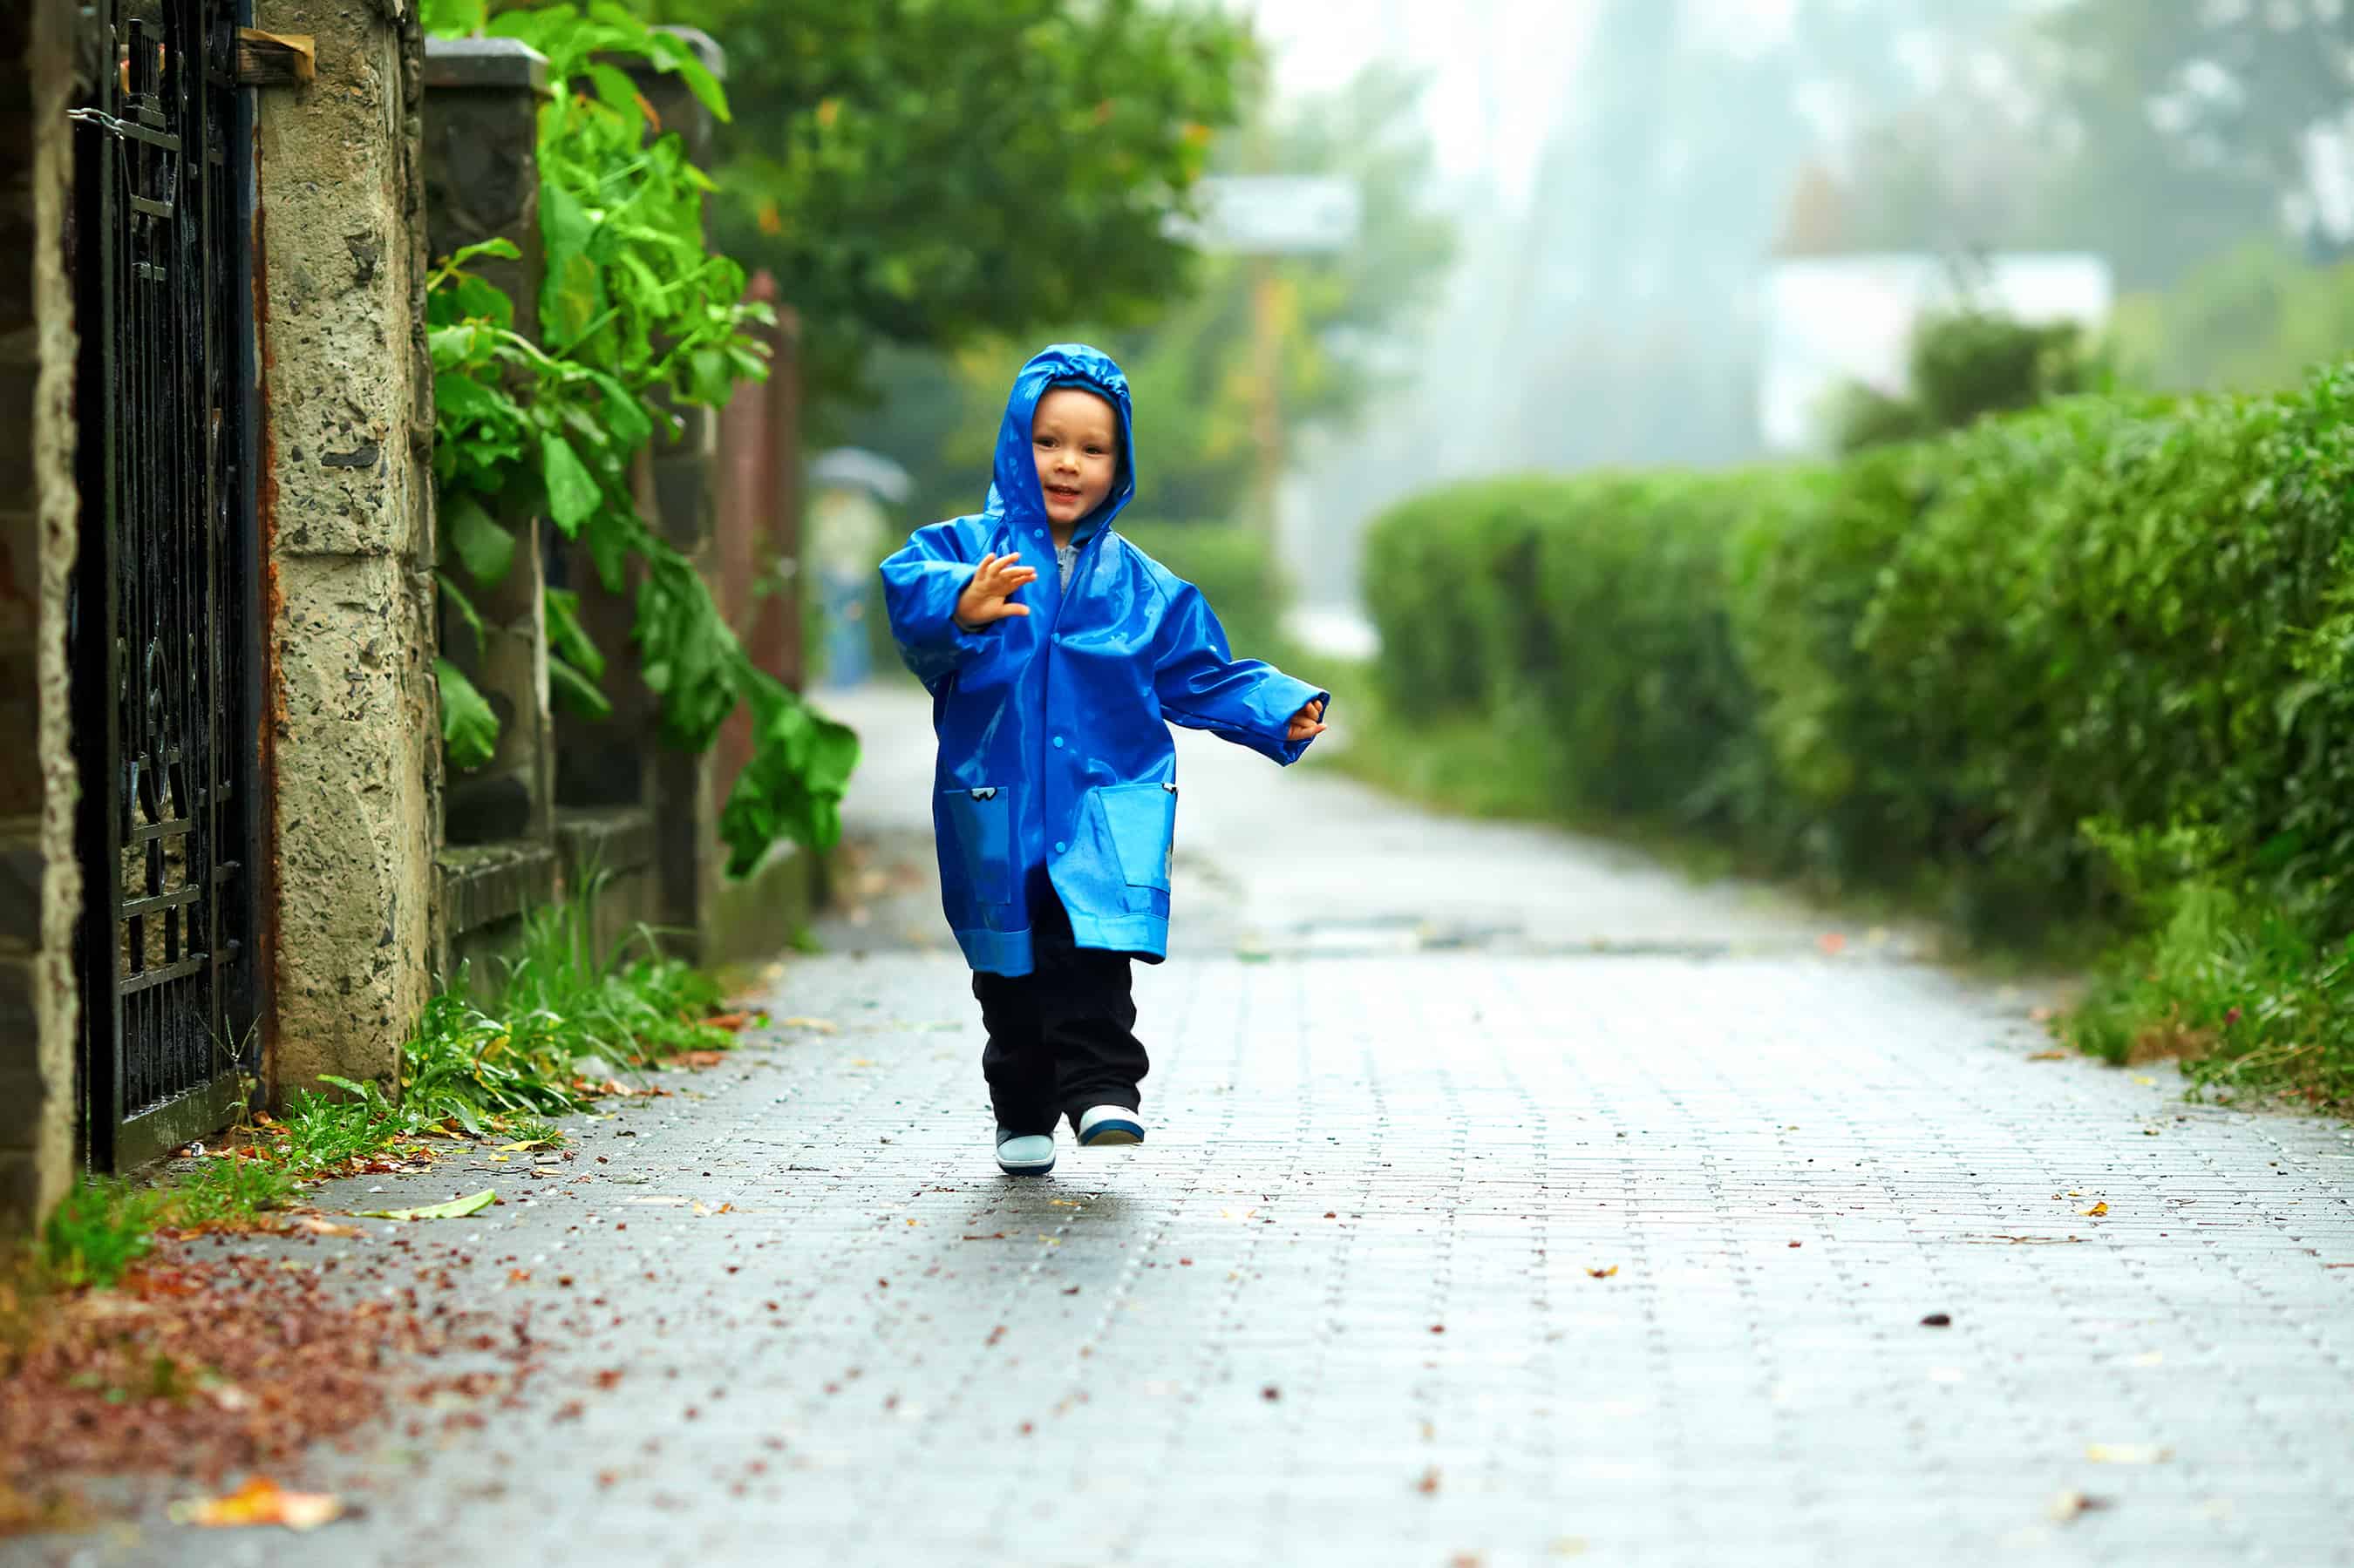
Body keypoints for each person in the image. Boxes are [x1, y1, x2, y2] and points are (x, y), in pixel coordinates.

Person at [879, 344, 1330, 1177]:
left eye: (1092, 448)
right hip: (998, 801)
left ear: (1118, 463)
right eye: (1050, 441)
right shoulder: (964, 548)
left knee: (1090, 955)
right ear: (1019, 441)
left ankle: (1102, 1089)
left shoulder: (1143, 588)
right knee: (1008, 973)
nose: (1068, 463)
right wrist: (962, 604)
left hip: (1101, 806)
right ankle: (1022, 1110)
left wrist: (1275, 707)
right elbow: (909, 597)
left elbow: (1199, 671)